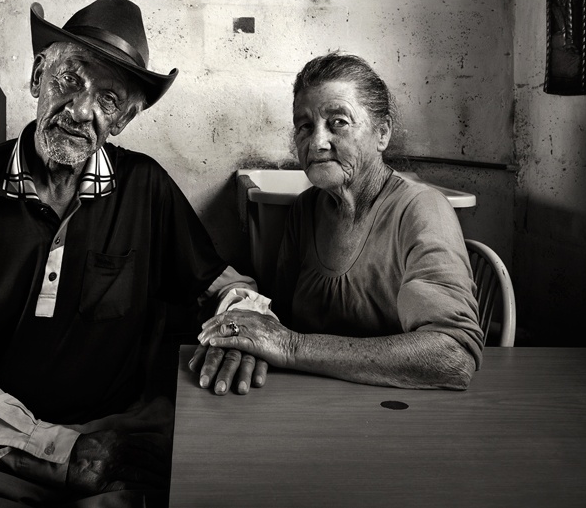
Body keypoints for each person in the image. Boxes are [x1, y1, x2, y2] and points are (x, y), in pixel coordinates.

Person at [0, 0, 272, 507]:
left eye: (108, 99)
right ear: (38, 77)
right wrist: (61, 453)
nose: (80, 110)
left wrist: (242, 329)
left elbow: (229, 288)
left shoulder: (145, 187)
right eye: (69, 81)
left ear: (122, 120)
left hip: (113, 435)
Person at [196, 51, 484, 391]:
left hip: (399, 409)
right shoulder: (306, 210)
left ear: (382, 134)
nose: (317, 143)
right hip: (311, 401)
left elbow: (453, 355)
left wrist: (291, 347)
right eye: (305, 126)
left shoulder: (421, 210)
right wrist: (244, 344)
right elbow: (277, 324)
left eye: (339, 122)